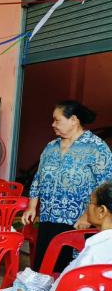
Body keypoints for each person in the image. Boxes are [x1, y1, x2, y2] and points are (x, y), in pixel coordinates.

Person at [22, 101, 112, 273]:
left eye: (57, 120)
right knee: (45, 268)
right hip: (48, 217)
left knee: (67, 271)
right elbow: (38, 178)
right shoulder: (51, 147)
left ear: (74, 120)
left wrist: (87, 216)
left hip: (77, 222)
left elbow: (106, 185)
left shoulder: (96, 147)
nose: (53, 124)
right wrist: (32, 206)